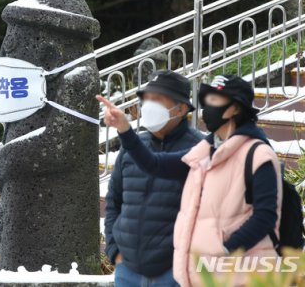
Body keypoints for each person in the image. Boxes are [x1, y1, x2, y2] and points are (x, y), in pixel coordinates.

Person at [97, 74, 282, 287]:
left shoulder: (258, 153)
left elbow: (265, 216)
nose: (207, 107)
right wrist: (125, 130)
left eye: (215, 100)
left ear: (235, 108)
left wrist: (222, 250)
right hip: (162, 271)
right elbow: (154, 165)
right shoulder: (205, 150)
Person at [104, 70, 203, 287]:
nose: (148, 105)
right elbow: (113, 202)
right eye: (146, 99)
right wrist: (114, 251)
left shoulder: (199, 149)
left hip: (175, 273)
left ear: (181, 108)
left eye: (157, 99)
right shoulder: (131, 147)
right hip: (127, 271)